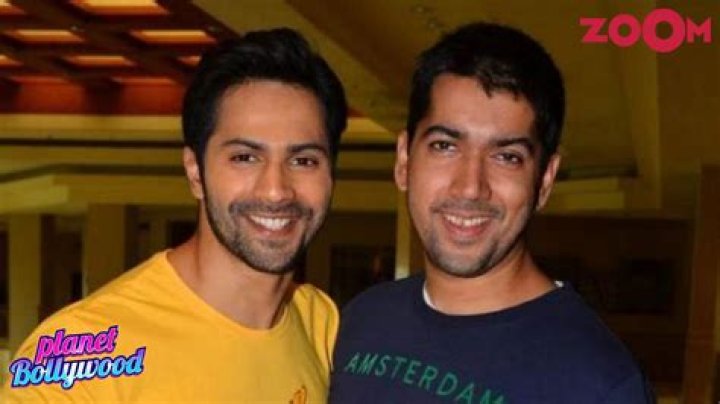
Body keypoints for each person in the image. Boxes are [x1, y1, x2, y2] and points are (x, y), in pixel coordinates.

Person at [4, 27, 347, 402]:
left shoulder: (321, 324)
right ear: (195, 172)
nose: (276, 190)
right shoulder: (81, 355)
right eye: (245, 157)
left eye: (303, 160)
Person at [329, 22, 655, 403]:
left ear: (545, 180)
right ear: (404, 160)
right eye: (445, 146)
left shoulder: (600, 384)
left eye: (507, 157)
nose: (470, 187)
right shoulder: (362, 320)